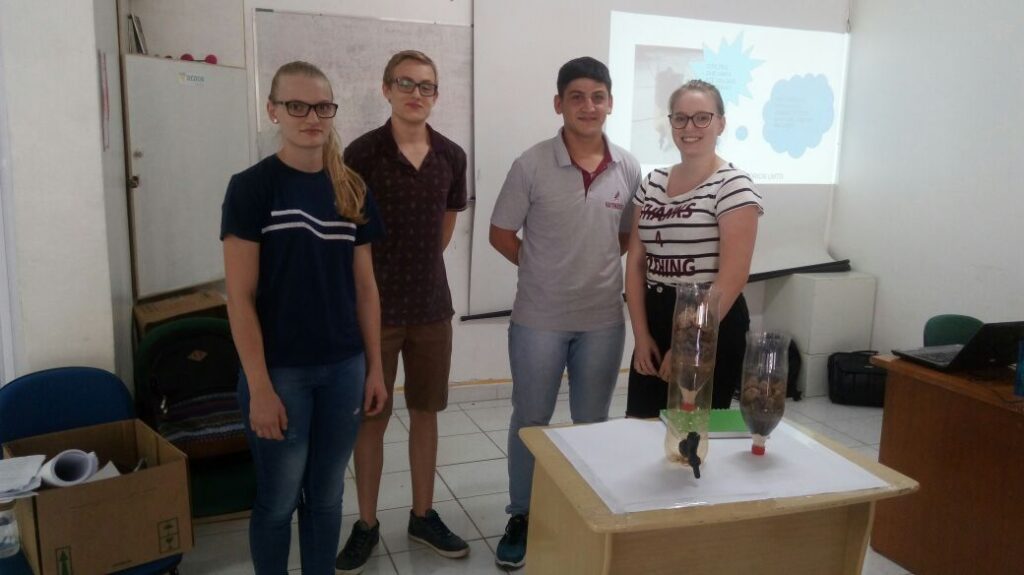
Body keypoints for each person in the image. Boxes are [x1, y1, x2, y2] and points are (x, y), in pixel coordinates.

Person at [220, 60, 387, 575]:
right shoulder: (252, 187)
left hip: (343, 369)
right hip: (281, 373)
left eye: (321, 107)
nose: (311, 117)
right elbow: (239, 298)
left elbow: (365, 289)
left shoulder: (351, 188)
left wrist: (375, 369)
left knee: (327, 494)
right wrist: (259, 388)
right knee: (278, 500)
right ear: (273, 111)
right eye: (297, 106)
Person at [489, 56, 641, 570]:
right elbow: (500, 233)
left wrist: (588, 267)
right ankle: (522, 515)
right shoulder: (530, 164)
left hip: (602, 320)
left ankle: (583, 511)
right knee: (531, 419)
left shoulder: (628, 167)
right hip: (539, 319)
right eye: (576, 96)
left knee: (592, 422)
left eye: (597, 97)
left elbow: (626, 235)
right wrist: (542, 268)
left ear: (610, 104)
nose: (588, 106)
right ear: (559, 104)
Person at [335, 50, 469, 573]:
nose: (416, 94)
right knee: (372, 416)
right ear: (386, 88)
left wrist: (417, 268)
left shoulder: (451, 155)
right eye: (405, 83)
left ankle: (422, 515)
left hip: (432, 307)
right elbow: (347, 232)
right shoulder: (361, 153)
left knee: (426, 412)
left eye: (426, 86)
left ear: (436, 94)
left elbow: (445, 227)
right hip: (375, 310)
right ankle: (366, 523)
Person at [624, 79, 762, 420]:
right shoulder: (652, 182)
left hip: (709, 320)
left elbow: (734, 276)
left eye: (702, 117)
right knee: (641, 424)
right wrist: (641, 336)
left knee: (693, 432)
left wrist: (690, 341)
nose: (690, 127)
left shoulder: (733, 185)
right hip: (656, 316)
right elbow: (636, 263)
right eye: (680, 118)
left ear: (721, 123)